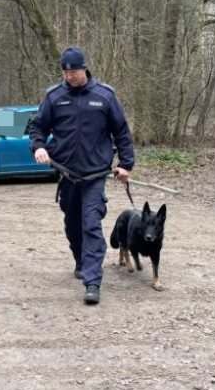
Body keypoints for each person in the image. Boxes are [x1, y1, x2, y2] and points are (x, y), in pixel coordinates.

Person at [28, 46, 135, 305]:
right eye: (65, 72)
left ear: (84, 68)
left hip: (95, 174)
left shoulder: (105, 96)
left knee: (91, 224)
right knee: (73, 223)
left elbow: (121, 131)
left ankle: (93, 282)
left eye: (73, 72)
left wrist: (125, 164)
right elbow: (37, 127)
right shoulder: (54, 97)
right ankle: (80, 260)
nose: (69, 77)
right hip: (67, 174)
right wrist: (39, 146)